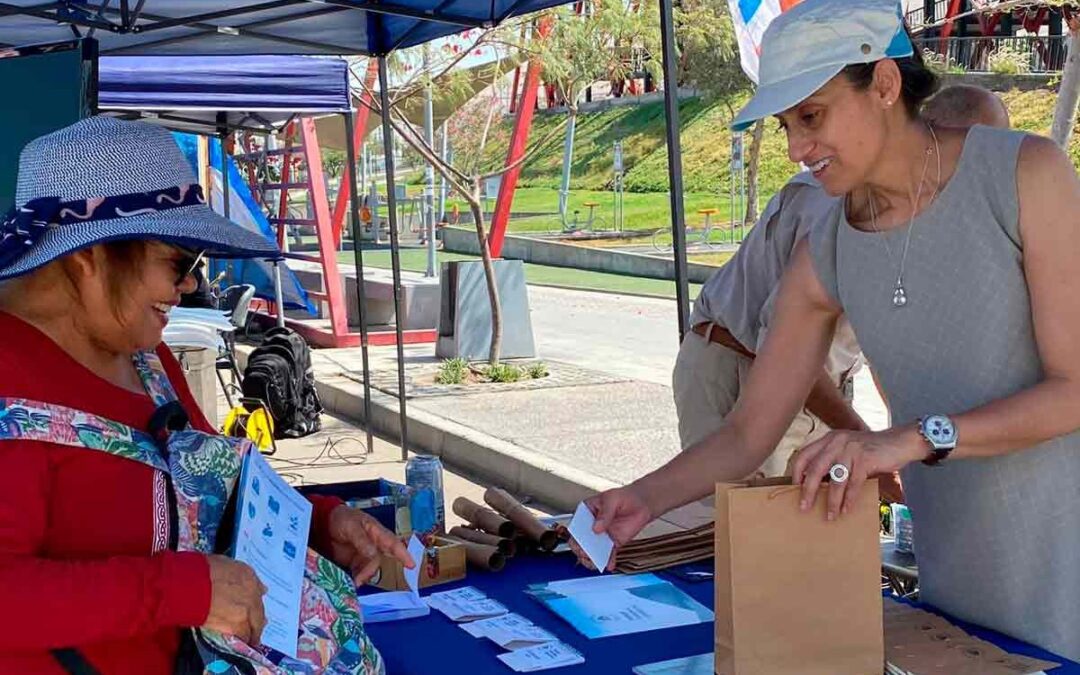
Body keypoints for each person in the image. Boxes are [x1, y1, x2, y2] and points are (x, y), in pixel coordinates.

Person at [578, 0, 1080, 661]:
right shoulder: (829, 244)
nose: (794, 146)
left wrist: (907, 439)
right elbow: (747, 432)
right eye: (786, 125)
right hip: (954, 574)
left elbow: (1072, 390)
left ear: (883, 84)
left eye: (810, 116)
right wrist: (640, 501)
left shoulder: (1028, 173)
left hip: (1062, 557)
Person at [0, 117, 413, 674]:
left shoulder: (142, 353)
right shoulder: (10, 376)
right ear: (89, 255)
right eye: (180, 262)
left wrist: (318, 522)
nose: (191, 284)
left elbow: (209, 489)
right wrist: (181, 591)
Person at [678, 83, 1009, 480]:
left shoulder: (931, 212)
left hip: (820, 388)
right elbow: (785, 362)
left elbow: (887, 352)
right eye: (969, 151)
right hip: (741, 371)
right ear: (929, 133)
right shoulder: (837, 206)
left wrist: (904, 444)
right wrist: (878, 450)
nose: (983, 170)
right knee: (751, 527)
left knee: (822, 527)